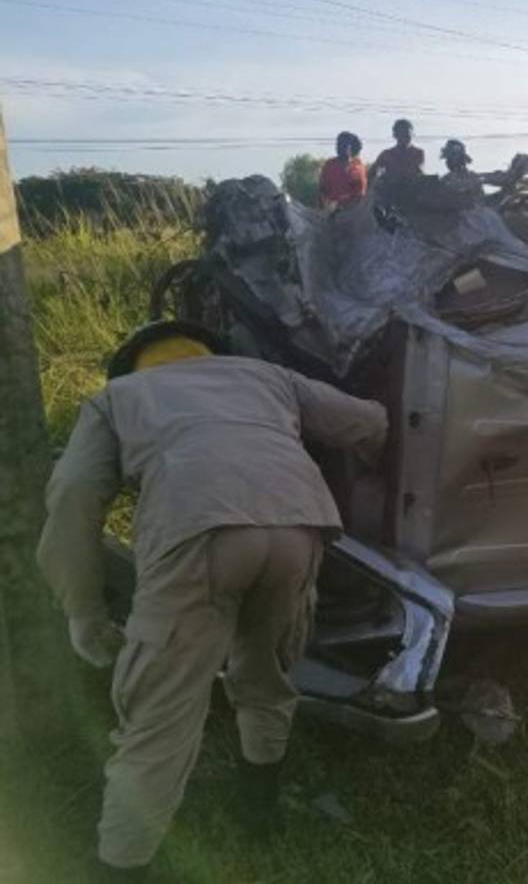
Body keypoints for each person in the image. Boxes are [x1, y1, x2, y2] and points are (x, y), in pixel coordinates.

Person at [37, 320, 388, 880]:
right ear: (207, 355)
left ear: (135, 365)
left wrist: (83, 610)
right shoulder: (264, 375)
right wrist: (374, 469)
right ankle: (258, 809)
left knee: (161, 712)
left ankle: (119, 865)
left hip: (197, 531)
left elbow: (74, 496)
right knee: (265, 674)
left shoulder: (118, 397)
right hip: (299, 526)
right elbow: (368, 421)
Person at [317, 131, 367, 209]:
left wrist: (344, 204)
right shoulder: (329, 165)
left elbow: (360, 194)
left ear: (350, 147)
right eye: (337, 144)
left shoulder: (358, 167)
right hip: (331, 211)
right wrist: (325, 205)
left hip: (353, 211)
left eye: (343, 145)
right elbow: (322, 190)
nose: (339, 147)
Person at [368, 118, 424, 187]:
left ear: (412, 135)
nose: (404, 137)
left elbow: (416, 173)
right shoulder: (386, 154)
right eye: (401, 134)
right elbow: (372, 172)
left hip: (411, 192)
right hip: (390, 192)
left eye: (407, 134)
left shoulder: (418, 153)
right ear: (395, 135)